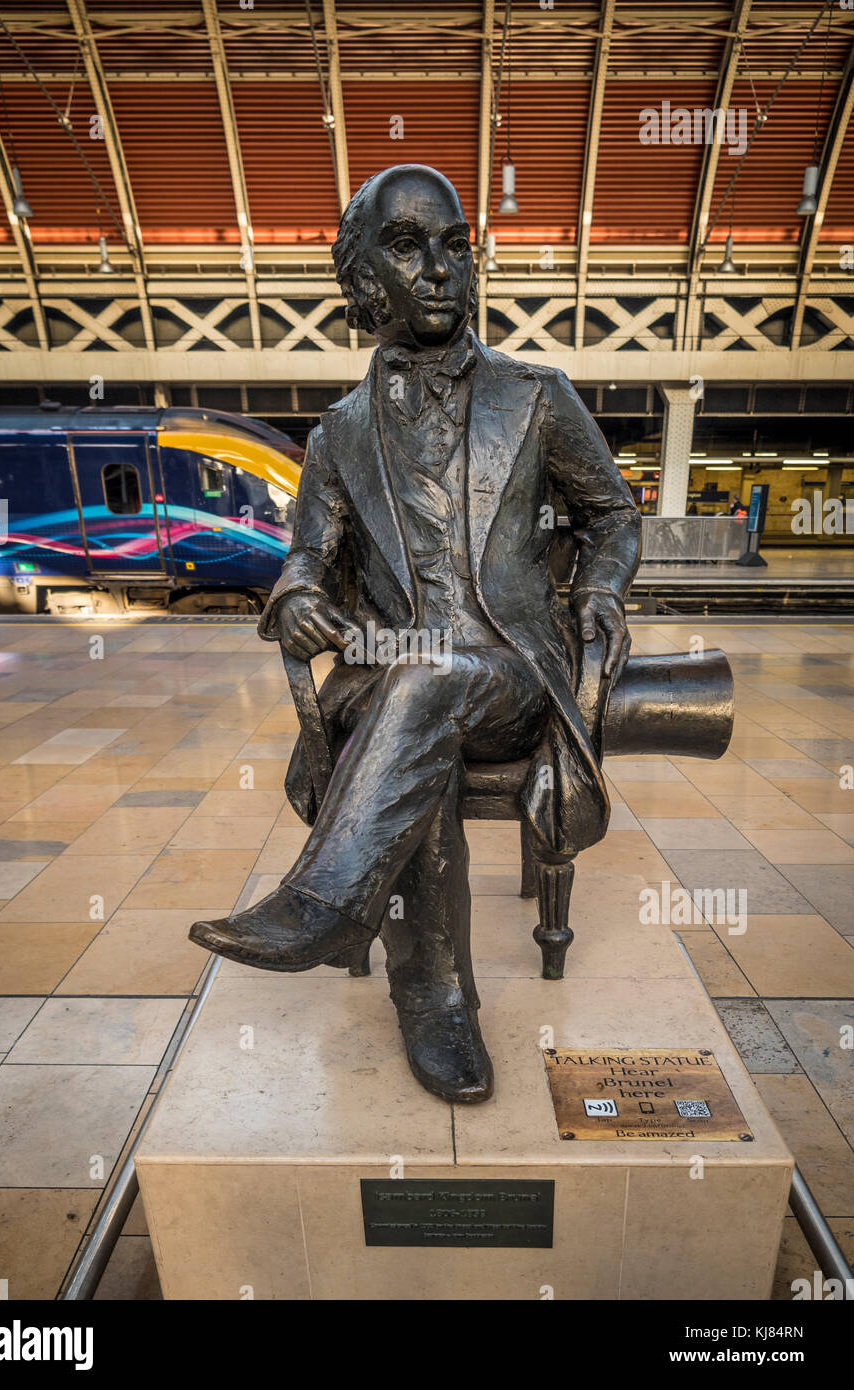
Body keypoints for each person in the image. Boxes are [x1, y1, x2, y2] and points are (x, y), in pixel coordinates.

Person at [189, 165, 641, 1103]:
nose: (440, 268)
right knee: (413, 710)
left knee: (426, 682)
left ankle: (324, 906)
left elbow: (613, 516)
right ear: (362, 281)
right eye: (407, 246)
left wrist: (600, 590)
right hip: (394, 677)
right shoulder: (337, 436)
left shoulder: (538, 395)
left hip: (512, 671)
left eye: (455, 243)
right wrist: (297, 601)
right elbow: (302, 566)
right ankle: (437, 1000)